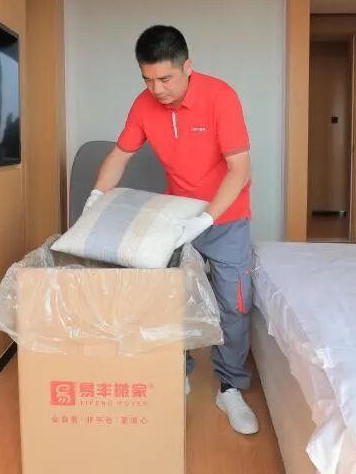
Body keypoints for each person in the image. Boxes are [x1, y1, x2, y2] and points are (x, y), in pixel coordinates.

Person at [85, 25, 258, 435]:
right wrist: (95, 197)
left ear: (187, 67)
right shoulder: (144, 104)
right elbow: (119, 155)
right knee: (170, 300)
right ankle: (176, 370)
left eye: (165, 78)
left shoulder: (221, 97)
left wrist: (208, 218)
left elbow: (240, 169)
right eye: (147, 79)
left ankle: (230, 387)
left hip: (226, 217)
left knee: (234, 304)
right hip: (176, 215)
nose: (157, 89)